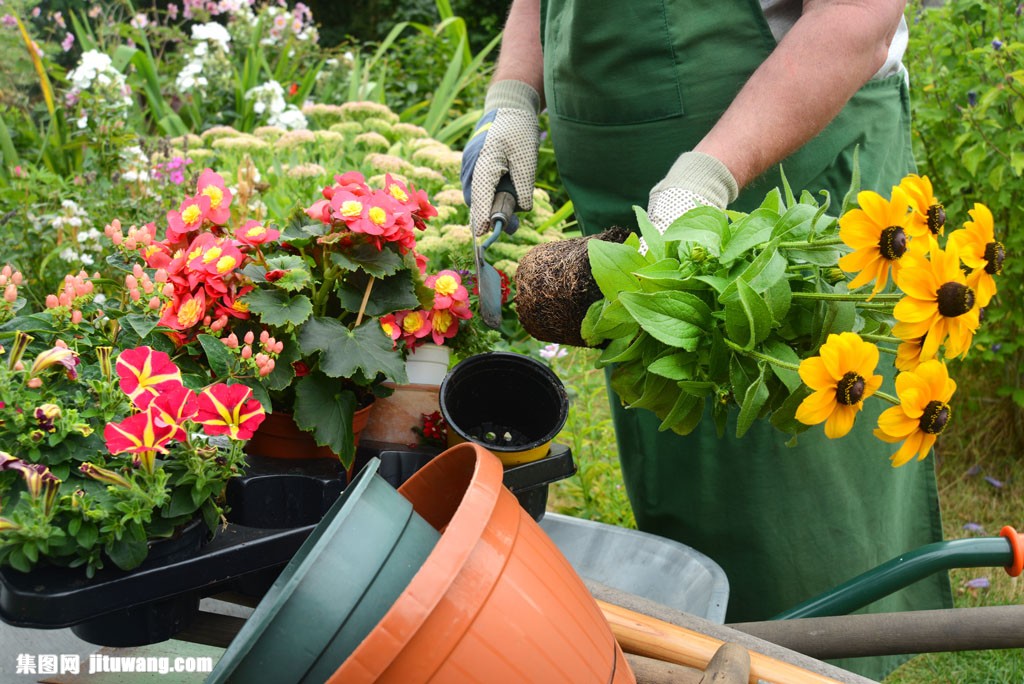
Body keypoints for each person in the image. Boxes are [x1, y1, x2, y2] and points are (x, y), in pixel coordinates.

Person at [460, 0, 952, 680]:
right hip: (642, 200)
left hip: (787, 177)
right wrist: (513, 98)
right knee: (691, 484)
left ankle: (815, 663)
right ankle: (701, 649)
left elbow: (854, 17)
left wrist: (709, 174)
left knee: (798, 498)